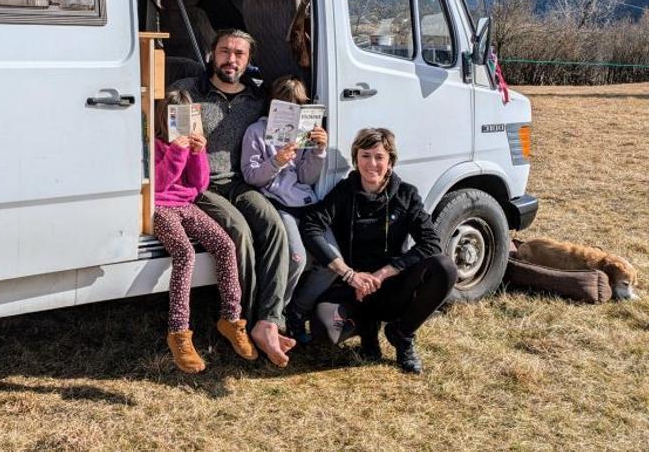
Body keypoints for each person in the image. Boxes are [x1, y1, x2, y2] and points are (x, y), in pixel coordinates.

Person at [170, 29, 296, 367]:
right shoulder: (187, 91)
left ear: (249, 60)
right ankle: (241, 322)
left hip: (240, 182)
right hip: (202, 186)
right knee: (238, 232)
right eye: (225, 51)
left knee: (272, 226)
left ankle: (270, 321)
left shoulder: (257, 99)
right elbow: (165, 127)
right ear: (212, 53)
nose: (232, 59)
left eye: (240, 54)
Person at [299, 128, 458, 374]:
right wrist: (348, 274)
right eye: (365, 155)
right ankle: (366, 329)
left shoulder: (406, 195)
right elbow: (311, 225)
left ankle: (402, 334)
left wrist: (383, 273)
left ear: (390, 161)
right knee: (323, 329)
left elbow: (431, 242)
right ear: (356, 158)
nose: (371, 164)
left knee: (444, 267)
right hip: (353, 287)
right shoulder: (344, 192)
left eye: (379, 157)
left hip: (391, 286)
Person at [152, 89, 258, 373]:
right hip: (160, 207)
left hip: (186, 205)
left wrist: (198, 153)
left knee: (225, 244)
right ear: (166, 118)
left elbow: (198, 185)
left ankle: (231, 319)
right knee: (185, 253)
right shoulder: (158, 145)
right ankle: (179, 332)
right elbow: (160, 185)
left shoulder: (192, 145)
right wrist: (176, 151)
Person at [239, 76, 336, 343]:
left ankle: (296, 311)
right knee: (296, 258)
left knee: (332, 261)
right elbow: (251, 176)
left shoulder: (304, 133)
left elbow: (306, 178)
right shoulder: (255, 132)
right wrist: (276, 162)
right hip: (278, 202)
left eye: (299, 104)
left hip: (306, 202)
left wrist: (319, 151)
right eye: (286, 104)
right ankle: (275, 317)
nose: (293, 108)